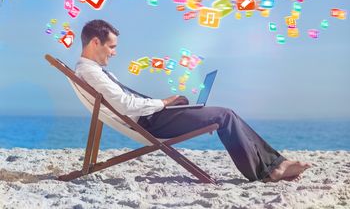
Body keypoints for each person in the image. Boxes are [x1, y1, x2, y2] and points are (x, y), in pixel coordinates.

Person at [75, 19, 311, 182]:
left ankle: (275, 162)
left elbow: (122, 103)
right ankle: (266, 172)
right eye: (111, 46)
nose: (114, 52)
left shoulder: (91, 71)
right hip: (150, 122)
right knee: (224, 115)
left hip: (151, 117)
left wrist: (172, 104)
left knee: (189, 101)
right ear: (96, 42)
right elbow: (125, 105)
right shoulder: (92, 73)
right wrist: (162, 103)